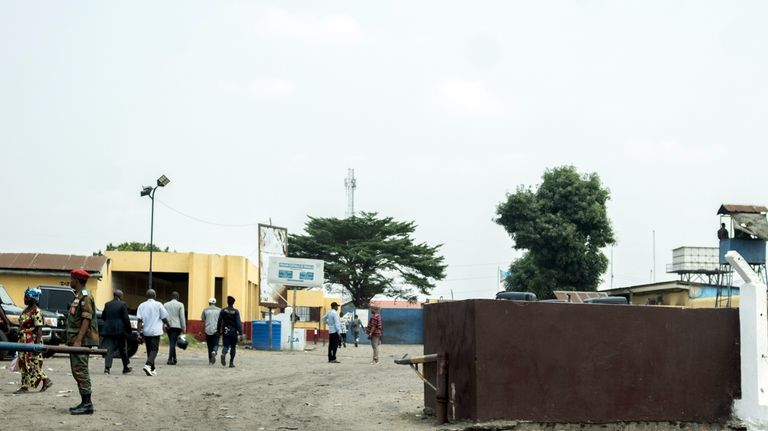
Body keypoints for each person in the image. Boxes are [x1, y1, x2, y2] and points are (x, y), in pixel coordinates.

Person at [67, 268, 100, 414]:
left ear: (77, 280)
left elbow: (86, 319)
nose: (70, 281)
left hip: (81, 341)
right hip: (75, 340)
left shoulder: (85, 297)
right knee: (77, 371)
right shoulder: (78, 296)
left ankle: (87, 404)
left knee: (81, 371)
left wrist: (79, 340)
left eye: (72, 278)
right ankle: (84, 402)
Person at [14, 287, 53, 394]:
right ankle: (24, 386)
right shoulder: (25, 310)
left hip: (32, 342)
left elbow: (39, 329)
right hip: (23, 341)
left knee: (32, 364)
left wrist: (36, 346)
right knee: (23, 363)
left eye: (26, 297)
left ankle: (45, 380)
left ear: (33, 298)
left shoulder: (37, 311)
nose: (24, 299)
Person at [136, 289, 169, 376]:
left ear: (146, 296)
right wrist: (168, 324)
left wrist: (138, 333)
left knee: (149, 350)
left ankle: (152, 369)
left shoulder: (141, 305)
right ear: (155, 296)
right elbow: (164, 317)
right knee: (154, 350)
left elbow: (139, 320)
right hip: (155, 331)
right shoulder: (158, 305)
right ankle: (148, 365)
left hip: (146, 331)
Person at [101, 289, 132, 375]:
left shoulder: (107, 304)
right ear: (120, 296)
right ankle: (126, 367)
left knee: (109, 349)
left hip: (108, 330)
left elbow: (103, 316)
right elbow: (126, 318)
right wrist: (129, 330)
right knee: (122, 349)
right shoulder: (123, 304)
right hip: (120, 330)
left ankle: (107, 368)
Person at [217, 296, 242, 368]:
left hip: (225, 330)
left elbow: (219, 321)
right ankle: (231, 363)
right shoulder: (236, 311)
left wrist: (218, 330)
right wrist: (240, 332)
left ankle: (224, 354)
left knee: (225, 345)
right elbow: (238, 323)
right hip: (233, 332)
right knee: (233, 347)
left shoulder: (223, 310)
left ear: (227, 302)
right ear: (233, 303)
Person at [163, 291, 186, 365]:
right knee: (173, 342)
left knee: (172, 342)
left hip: (168, 326)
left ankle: (174, 358)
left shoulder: (165, 304)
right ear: (178, 297)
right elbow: (182, 317)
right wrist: (184, 327)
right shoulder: (180, 305)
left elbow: (164, 316)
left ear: (171, 297)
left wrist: (164, 326)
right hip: (177, 326)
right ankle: (170, 359)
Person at [201, 297, 221, 365]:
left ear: (209, 303)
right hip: (216, 330)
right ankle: (214, 351)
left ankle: (210, 360)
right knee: (216, 343)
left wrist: (201, 331)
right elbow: (221, 321)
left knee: (209, 345)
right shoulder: (219, 310)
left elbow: (203, 320)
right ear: (215, 303)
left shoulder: (205, 310)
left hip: (207, 330)